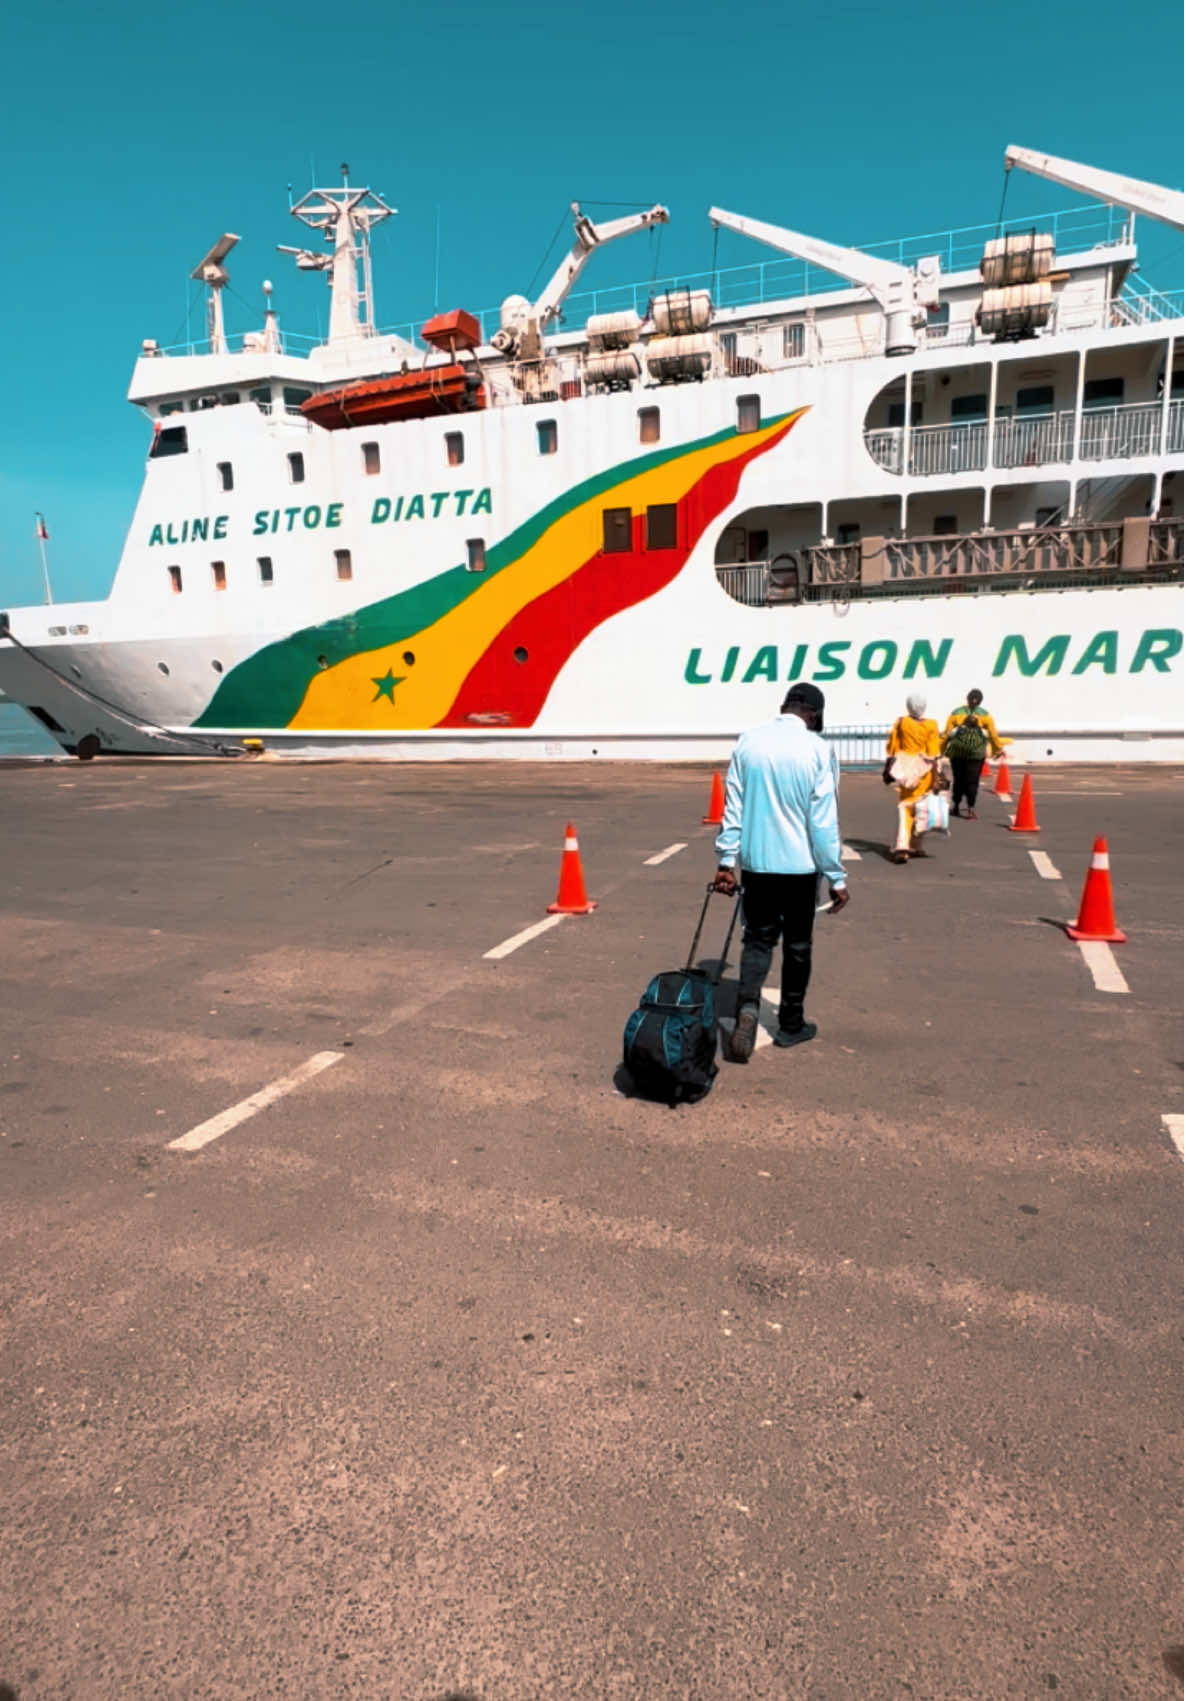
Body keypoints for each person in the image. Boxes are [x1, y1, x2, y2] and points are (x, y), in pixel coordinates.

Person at [710, 682, 850, 1063]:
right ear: (815, 715)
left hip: (757, 865)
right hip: (801, 870)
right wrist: (836, 877)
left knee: (757, 940)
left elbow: (732, 807)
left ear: (785, 706)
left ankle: (748, 1007)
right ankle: (791, 1024)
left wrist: (726, 862)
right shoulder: (819, 750)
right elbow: (823, 823)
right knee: (798, 946)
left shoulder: (749, 743)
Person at [883, 693, 940, 863]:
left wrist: (887, 769)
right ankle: (916, 845)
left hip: (905, 768)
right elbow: (933, 753)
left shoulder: (901, 722)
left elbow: (892, 748)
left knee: (905, 807)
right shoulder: (932, 725)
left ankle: (902, 846)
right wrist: (936, 777)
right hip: (924, 770)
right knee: (921, 808)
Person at [943, 688, 1005, 819]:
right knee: (973, 781)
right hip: (976, 756)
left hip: (957, 754)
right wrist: (998, 750)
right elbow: (993, 736)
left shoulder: (956, 713)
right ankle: (971, 809)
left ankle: (956, 807)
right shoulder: (985, 715)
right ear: (980, 701)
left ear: (967, 698)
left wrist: (939, 750)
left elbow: (946, 735)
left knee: (958, 780)